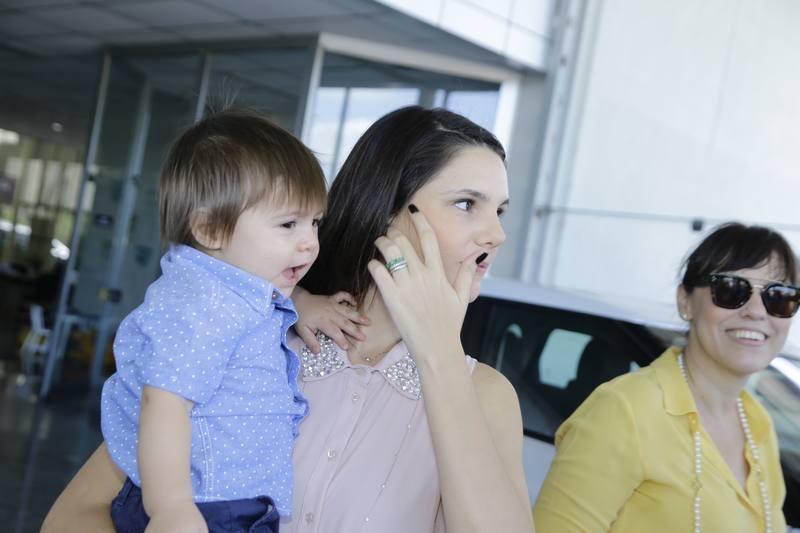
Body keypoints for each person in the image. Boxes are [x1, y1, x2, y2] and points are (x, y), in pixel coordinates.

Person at [43, 106, 534, 533]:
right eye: (467, 204)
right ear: (386, 208)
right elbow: (71, 515)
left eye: (501, 211)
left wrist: (440, 352)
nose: (496, 234)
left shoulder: (487, 397)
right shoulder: (251, 339)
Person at [100, 109, 327, 533]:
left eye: (315, 222)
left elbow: (273, 299)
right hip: (202, 506)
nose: (310, 242)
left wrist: (305, 303)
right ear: (210, 230)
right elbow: (163, 402)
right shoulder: (200, 303)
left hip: (232, 502)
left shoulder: (231, 292)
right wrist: (170, 506)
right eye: (288, 223)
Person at [533, 222, 795, 532]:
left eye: (779, 296)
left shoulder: (757, 423)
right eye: (730, 289)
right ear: (685, 301)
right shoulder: (624, 410)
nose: (757, 311)